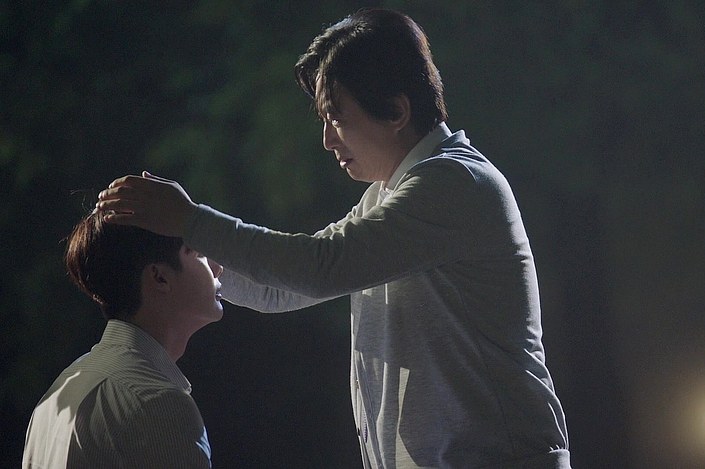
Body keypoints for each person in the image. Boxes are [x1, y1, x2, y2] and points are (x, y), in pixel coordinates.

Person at [96, 8, 571, 469]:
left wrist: (189, 221)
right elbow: (285, 287)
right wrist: (198, 256)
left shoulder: (453, 182)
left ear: (397, 110)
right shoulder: (386, 195)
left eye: (337, 118)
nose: (327, 139)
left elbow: (318, 267)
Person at [22, 210, 223, 468]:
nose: (217, 268)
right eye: (198, 254)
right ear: (159, 277)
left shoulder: (59, 391)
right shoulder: (157, 403)